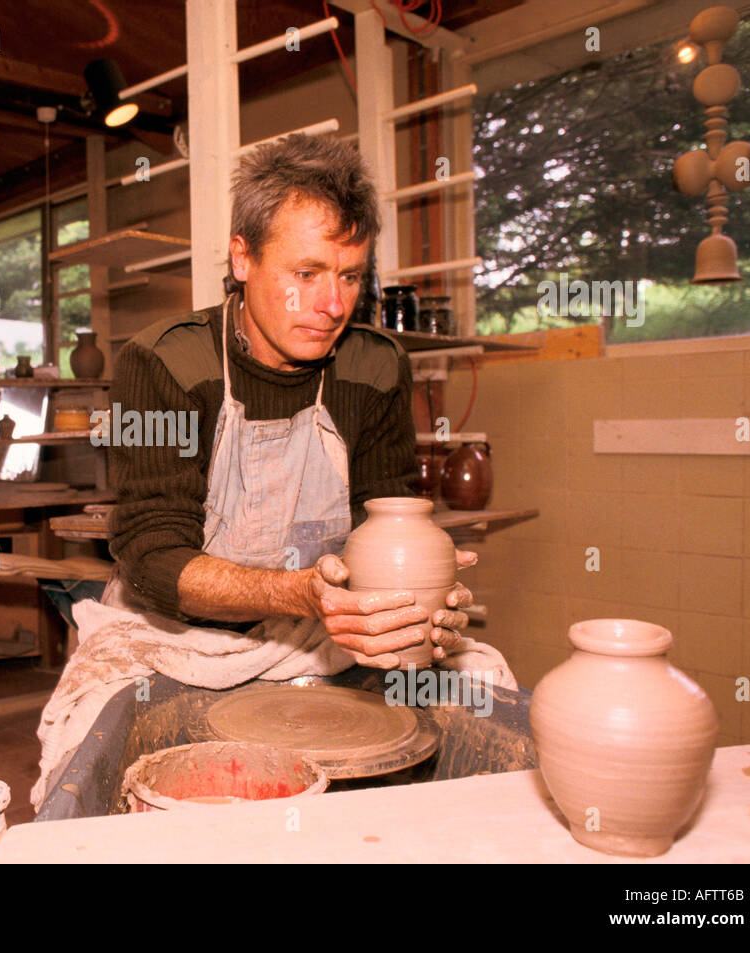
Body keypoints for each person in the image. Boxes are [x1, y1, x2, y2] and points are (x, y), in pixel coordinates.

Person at [30, 134, 482, 810]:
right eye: (305, 273)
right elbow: (150, 555)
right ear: (242, 256)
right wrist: (300, 592)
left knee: (480, 692)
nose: (332, 304)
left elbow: (390, 524)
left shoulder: (377, 364)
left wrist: (420, 611)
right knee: (84, 742)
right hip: (170, 638)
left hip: (320, 632)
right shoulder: (161, 363)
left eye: (351, 276)